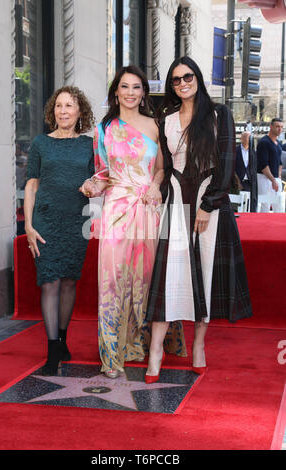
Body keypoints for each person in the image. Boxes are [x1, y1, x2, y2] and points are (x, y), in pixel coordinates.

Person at [145, 57, 253, 383]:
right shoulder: (167, 118)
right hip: (177, 202)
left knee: (205, 274)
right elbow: (164, 166)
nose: (183, 83)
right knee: (168, 278)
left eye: (187, 76)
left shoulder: (220, 114)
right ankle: (155, 353)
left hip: (211, 205)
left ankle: (199, 346)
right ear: (172, 86)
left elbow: (226, 162)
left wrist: (208, 206)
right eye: (176, 80)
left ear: (198, 77)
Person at [80, 65, 186, 379]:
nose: (130, 93)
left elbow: (161, 168)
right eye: (124, 87)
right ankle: (112, 354)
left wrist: (154, 185)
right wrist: (93, 185)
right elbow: (102, 173)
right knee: (112, 279)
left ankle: (140, 344)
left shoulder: (156, 125)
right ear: (116, 92)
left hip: (148, 210)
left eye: (136, 87)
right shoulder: (104, 128)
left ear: (143, 93)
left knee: (147, 277)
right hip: (115, 210)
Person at [24, 86, 95, 375]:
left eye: (69, 106)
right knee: (49, 281)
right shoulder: (41, 143)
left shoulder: (89, 145)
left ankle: (63, 338)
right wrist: (28, 225)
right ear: (53, 111)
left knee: (68, 282)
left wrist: (93, 186)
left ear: (80, 112)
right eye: (59, 106)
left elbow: (98, 181)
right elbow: (31, 184)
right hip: (45, 222)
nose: (63, 111)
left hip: (77, 222)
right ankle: (52, 349)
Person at [256, 118, 283, 212]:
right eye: (277, 126)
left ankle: (280, 226)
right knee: (265, 206)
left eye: (281, 127)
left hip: (275, 178)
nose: (280, 129)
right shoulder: (264, 142)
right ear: (271, 127)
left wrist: (278, 177)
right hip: (264, 178)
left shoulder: (279, 143)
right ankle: (263, 226)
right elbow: (263, 164)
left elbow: (280, 162)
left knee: (279, 206)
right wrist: (273, 180)